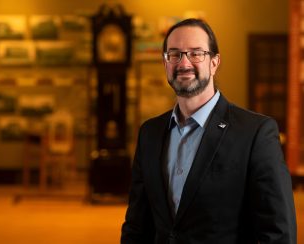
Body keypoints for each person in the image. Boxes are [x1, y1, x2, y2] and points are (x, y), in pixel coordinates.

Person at [121, 18, 297, 244]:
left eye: (196, 53)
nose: (184, 63)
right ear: (165, 63)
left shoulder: (256, 134)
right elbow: (137, 226)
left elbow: (278, 232)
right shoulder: (149, 134)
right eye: (174, 54)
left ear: (214, 62)